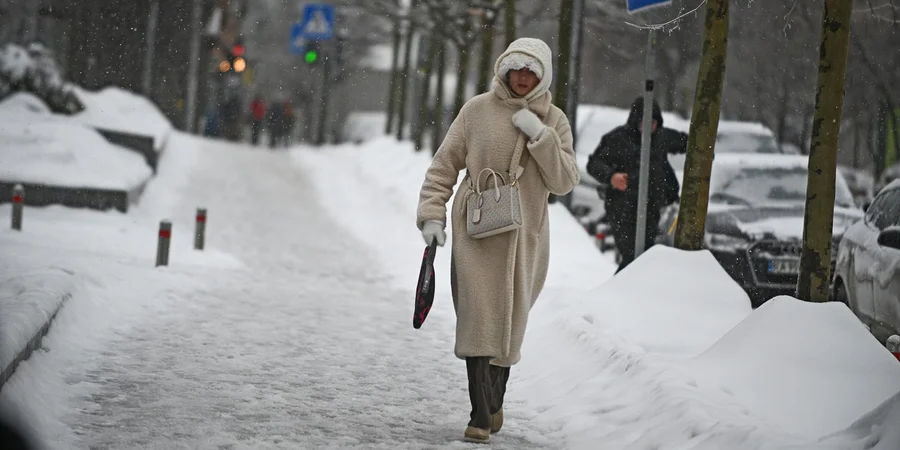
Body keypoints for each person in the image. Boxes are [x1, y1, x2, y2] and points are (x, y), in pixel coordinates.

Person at [416, 37, 579, 443]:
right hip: (476, 230)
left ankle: (495, 396)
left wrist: (540, 136)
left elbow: (564, 181)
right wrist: (432, 216)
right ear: (504, 70)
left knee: (510, 320)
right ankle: (480, 413)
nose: (522, 78)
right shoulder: (476, 111)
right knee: (478, 315)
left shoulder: (554, 120)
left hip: (526, 236)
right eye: (516, 69)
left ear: (542, 76)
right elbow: (443, 167)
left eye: (531, 71)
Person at [587, 96, 687, 273]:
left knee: (646, 257)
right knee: (633, 256)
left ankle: (632, 292)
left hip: (655, 208)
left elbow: (690, 143)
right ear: (635, 122)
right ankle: (621, 292)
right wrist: (611, 176)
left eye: (653, 123)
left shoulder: (661, 137)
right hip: (622, 208)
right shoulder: (617, 139)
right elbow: (594, 164)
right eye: (644, 123)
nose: (649, 128)